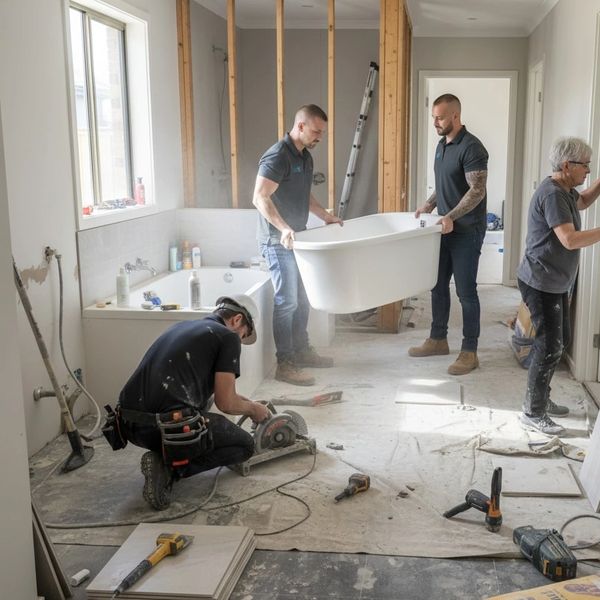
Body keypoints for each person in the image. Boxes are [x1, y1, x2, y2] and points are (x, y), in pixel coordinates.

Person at [116, 295, 270, 510]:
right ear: (237, 320)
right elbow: (226, 403)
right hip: (166, 429)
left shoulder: (183, 326)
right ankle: (171, 470)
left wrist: (249, 403)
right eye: (243, 334)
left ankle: (165, 456)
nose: (240, 340)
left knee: (203, 401)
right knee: (244, 446)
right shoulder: (228, 337)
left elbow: (220, 393)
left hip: (128, 424)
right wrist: (253, 409)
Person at [253, 104, 342, 386]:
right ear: (300, 126)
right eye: (316, 131)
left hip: (297, 238)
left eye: (322, 132)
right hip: (276, 240)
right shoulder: (278, 155)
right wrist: (284, 228)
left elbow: (304, 194)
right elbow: (259, 197)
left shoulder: (305, 156)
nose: (320, 137)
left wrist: (325, 216)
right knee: (287, 301)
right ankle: (285, 363)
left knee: (303, 299)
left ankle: (302, 351)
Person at [518, 137, 600, 435]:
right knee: (550, 345)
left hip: (553, 281)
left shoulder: (564, 190)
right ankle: (533, 411)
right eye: (585, 165)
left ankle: (540, 397)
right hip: (541, 282)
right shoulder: (552, 194)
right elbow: (569, 239)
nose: (588, 170)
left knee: (559, 341)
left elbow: (583, 201)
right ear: (567, 165)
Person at [409, 93, 489, 375]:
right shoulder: (442, 145)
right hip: (444, 228)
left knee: (466, 291)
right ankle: (438, 339)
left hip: (467, 230)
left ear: (455, 116)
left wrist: (451, 216)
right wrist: (429, 204)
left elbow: (476, 191)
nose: (435, 122)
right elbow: (445, 184)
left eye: (440, 118)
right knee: (438, 284)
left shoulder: (472, 147)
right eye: (434, 117)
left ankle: (470, 351)